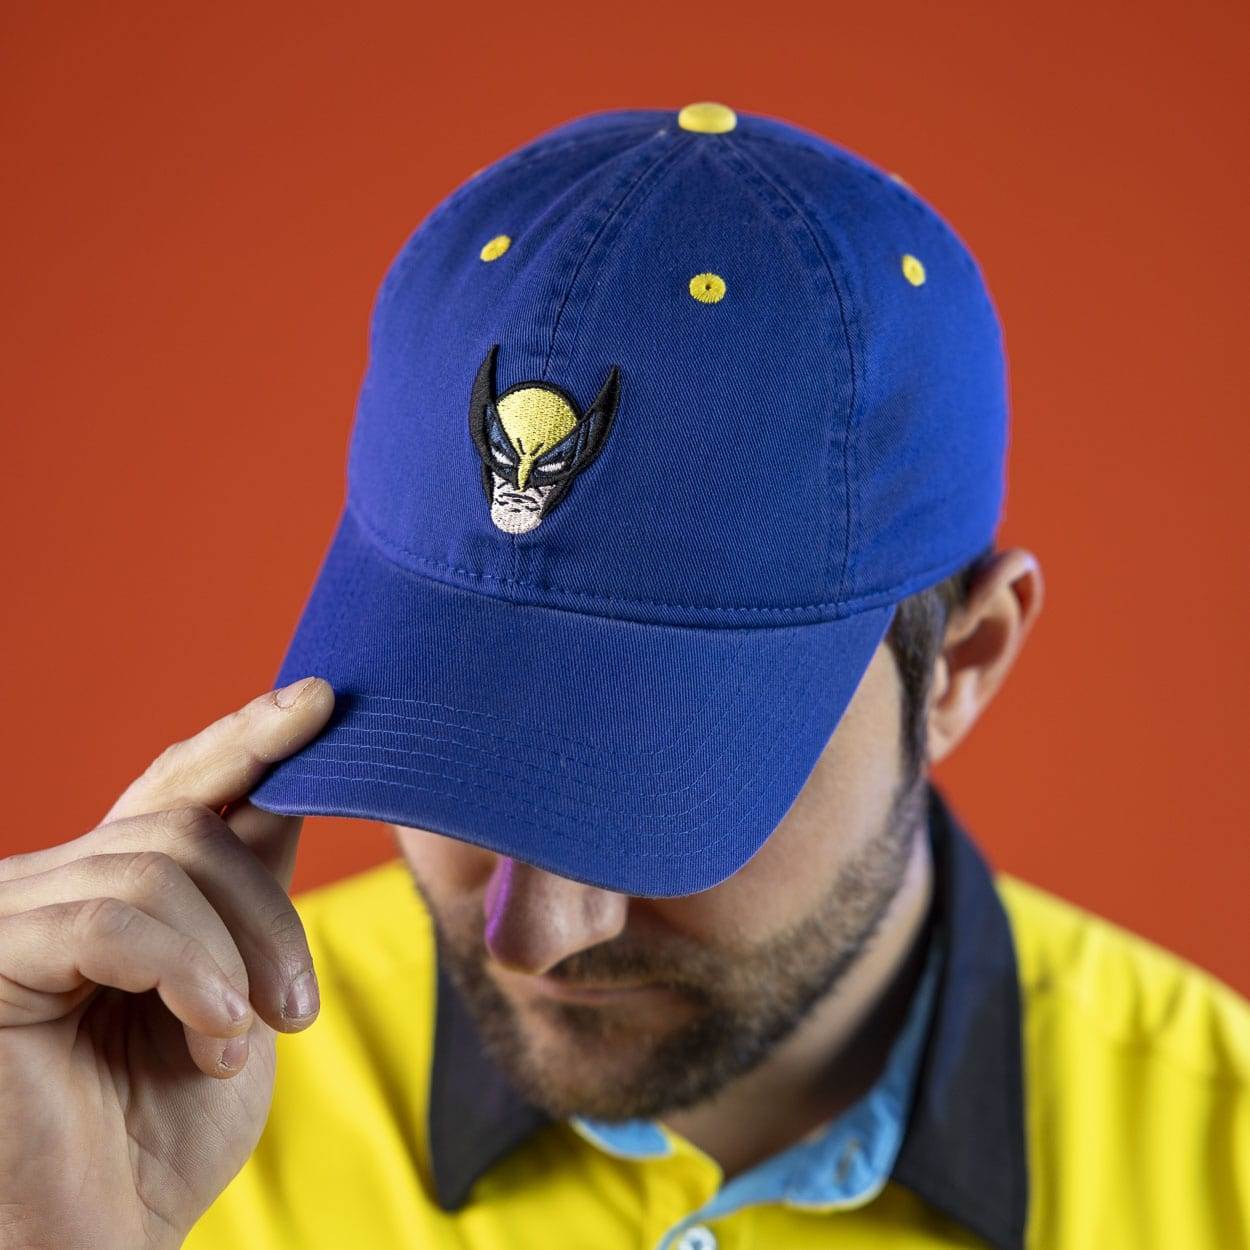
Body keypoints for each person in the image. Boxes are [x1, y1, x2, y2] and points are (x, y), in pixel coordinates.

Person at [1, 103, 1245, 1250]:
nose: (532, 936)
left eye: (662, 782)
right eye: (457, 756)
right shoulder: (143, 1091)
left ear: (962, 663)